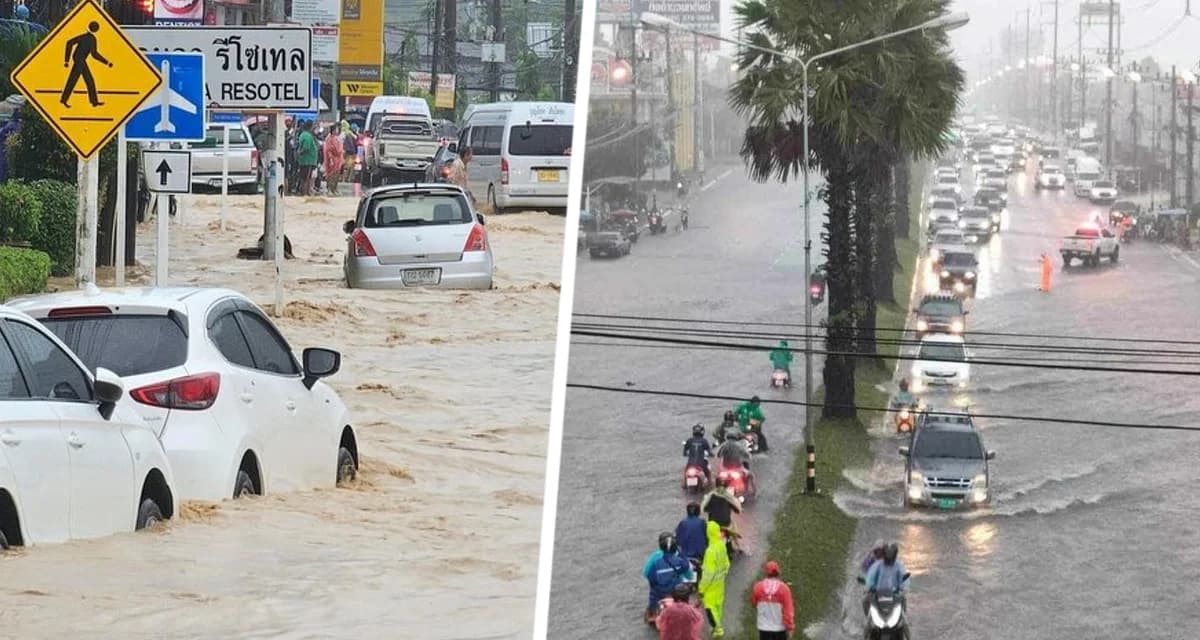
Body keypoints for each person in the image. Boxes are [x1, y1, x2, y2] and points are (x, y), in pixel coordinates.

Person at [644, 532, 696, 623]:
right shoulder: (679, 560)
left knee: (653, 595)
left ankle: (652, 613)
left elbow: (648, 575)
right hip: (676, 591)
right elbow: (688, 571)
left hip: (660, 592)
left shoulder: (656, 560)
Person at [698, 519, 731, 638]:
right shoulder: (721, 545)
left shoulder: (710, 551)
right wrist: (722, 574)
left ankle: (718, 629)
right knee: (718, 606)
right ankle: (717, 626)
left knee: (710, 608)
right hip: (720, 583)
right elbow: (727, 563)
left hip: (711, 587)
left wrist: (702, 588)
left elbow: (708, 574)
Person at [752, 561, 795, 640]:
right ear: (778, 573)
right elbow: (788, 611)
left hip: (763, 628)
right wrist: (790, 627)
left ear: (766, 573)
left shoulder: (758, 587)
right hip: (779, 629)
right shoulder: (784, 589)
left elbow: (754, 604)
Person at [863, 543, 909, 616]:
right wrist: (869, 587)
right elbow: (870, 577)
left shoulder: (899, 566)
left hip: (894, 593)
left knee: (903, 599)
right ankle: (867, 618)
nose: (889, 559)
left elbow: (904, 578)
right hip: (878, 593)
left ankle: (904, 618)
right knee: (865, 600)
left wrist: (903, 587)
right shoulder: (877, 565)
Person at [675, 503, 707, 581]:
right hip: (699, 556)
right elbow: (707, 537)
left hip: (685, 556)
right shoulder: (702, 522)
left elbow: (678, 540)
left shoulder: (682, 523)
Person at [296, 121, 319, 197]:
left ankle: (306, 192)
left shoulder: (305, 135)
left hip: (306, 160)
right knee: (306, 178)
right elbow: (306, 147)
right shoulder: (307, 136)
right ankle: (305, 193)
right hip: (307, 160)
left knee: (305, 178)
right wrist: (299, 153)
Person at [0, 107, 21, 183]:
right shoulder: (16, 126)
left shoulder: (10, 126)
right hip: (7, 150)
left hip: (5, 150)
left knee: (3, 166)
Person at [323, 123, 344, 196]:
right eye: (336, 129)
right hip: (332, 158)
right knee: (331, 175)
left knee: (337, 175)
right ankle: (329, 189)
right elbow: (328, 150)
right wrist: (331, 159)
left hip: (338, 159)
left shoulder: (337, 138)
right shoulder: (329, 138)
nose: (337, 130)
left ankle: (334, 189)